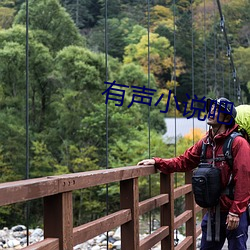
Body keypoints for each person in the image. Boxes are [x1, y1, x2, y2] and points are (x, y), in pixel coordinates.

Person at [137, 97, 250, 250]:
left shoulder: (238, 143)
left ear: (227, 118)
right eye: (211, 109)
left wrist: (236, 212)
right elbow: (184, 161)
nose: (211, 112)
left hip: (233, 211)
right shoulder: (205, 143)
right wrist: (157, 162)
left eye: (217, 110)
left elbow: (244, 178)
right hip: (213, 211)